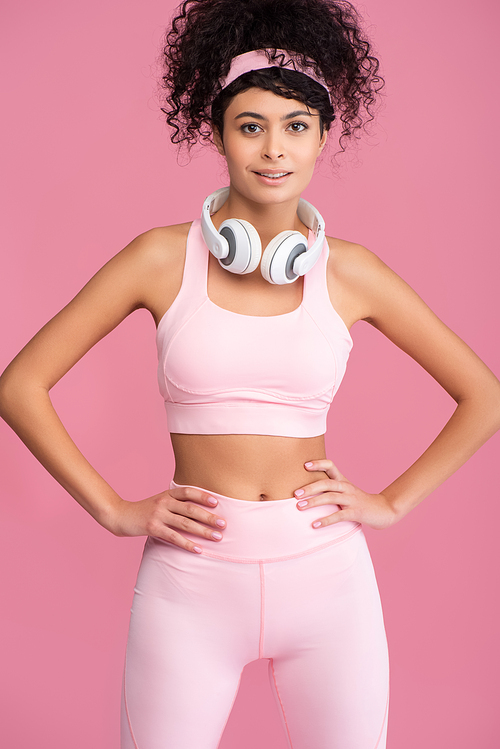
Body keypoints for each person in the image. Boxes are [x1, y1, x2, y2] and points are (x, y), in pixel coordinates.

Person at [0, 0, 499, 747]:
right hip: (190, 582)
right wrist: (110, 507)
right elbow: (20, 384)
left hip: (328, 581)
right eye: (252, 125)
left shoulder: (353, 272)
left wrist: (391, 500)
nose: (275, 150)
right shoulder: (159, 259)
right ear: (218, 133)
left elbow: (482, 395)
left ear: (324, 136)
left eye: (297, 126)